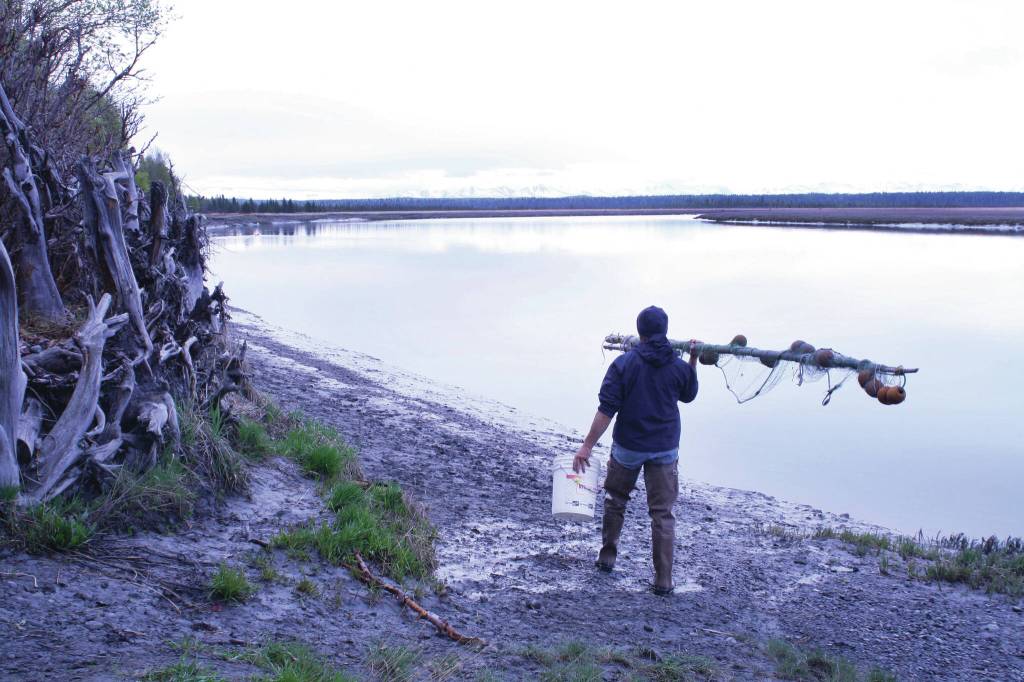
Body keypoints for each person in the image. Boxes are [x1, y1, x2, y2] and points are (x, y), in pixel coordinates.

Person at [572, 305, 699, 596]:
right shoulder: (678, 366)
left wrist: (587, 446)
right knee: (662, 514)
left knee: (615, 499)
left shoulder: (624, 364)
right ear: (665, 332)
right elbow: (689, 394)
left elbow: (607, 409)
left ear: (639, 332)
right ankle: (663, 580)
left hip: (628, 446)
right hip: (664, 449)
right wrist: (692, 360)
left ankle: (607, 557)